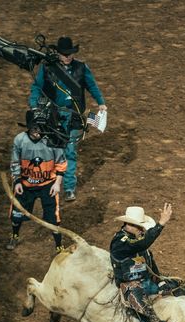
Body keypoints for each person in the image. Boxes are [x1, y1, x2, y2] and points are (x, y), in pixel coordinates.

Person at [29, 36, 107, 202]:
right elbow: (37, 87)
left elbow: (91, 85)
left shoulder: (81, 67)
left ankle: (69, 187)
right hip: (54, 116)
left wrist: (101, 103)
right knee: (52, 150)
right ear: (58, 53)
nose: (68, 57)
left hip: (75, 115)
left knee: (70, 151)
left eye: (70, 53)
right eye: (65, 54)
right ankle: (49, 183)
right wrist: (34, 105)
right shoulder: (47, 68)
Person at [110, 203, 174, 322]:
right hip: (131, 286)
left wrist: (160, 282)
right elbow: (141, 243)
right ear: (130, 225)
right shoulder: (120, 242)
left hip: (147, 281)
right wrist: (160, 224)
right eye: (140, 227)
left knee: (179, 289)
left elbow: (150, 263)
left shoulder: (137, 240)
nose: (142, 230)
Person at [8, 110, 67, 252]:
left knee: (53, 218)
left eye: (41, 127)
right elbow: (15, 162)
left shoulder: (53, 140)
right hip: (25, 185)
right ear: (28, 127)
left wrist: (57, 184)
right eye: (34, 128)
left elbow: (61, 164)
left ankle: (59, 245)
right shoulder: (19, 140)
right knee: (17, 214)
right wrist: (17, 182)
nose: (37, 131)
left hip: (48, 184)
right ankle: (14, 235)